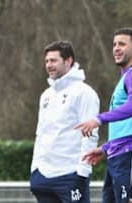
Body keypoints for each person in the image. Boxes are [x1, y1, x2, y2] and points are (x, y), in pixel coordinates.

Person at [75, 27, 132, 203]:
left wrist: (99, 119)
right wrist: (106, 148)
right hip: (118, 154)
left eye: (122, 44)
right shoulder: (126, 77)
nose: (116, 48)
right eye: (114, 44)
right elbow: (127, 126)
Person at [30, 41, 100, 203]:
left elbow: (90, 135)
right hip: (43, 176)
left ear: (68, 61)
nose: (49, 65)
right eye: (47, 61)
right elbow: (40, 134)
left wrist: (82, 172)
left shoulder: (84, 93)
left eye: (53, 61)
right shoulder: (46, 95)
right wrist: (35, 169)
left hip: (70, 175)